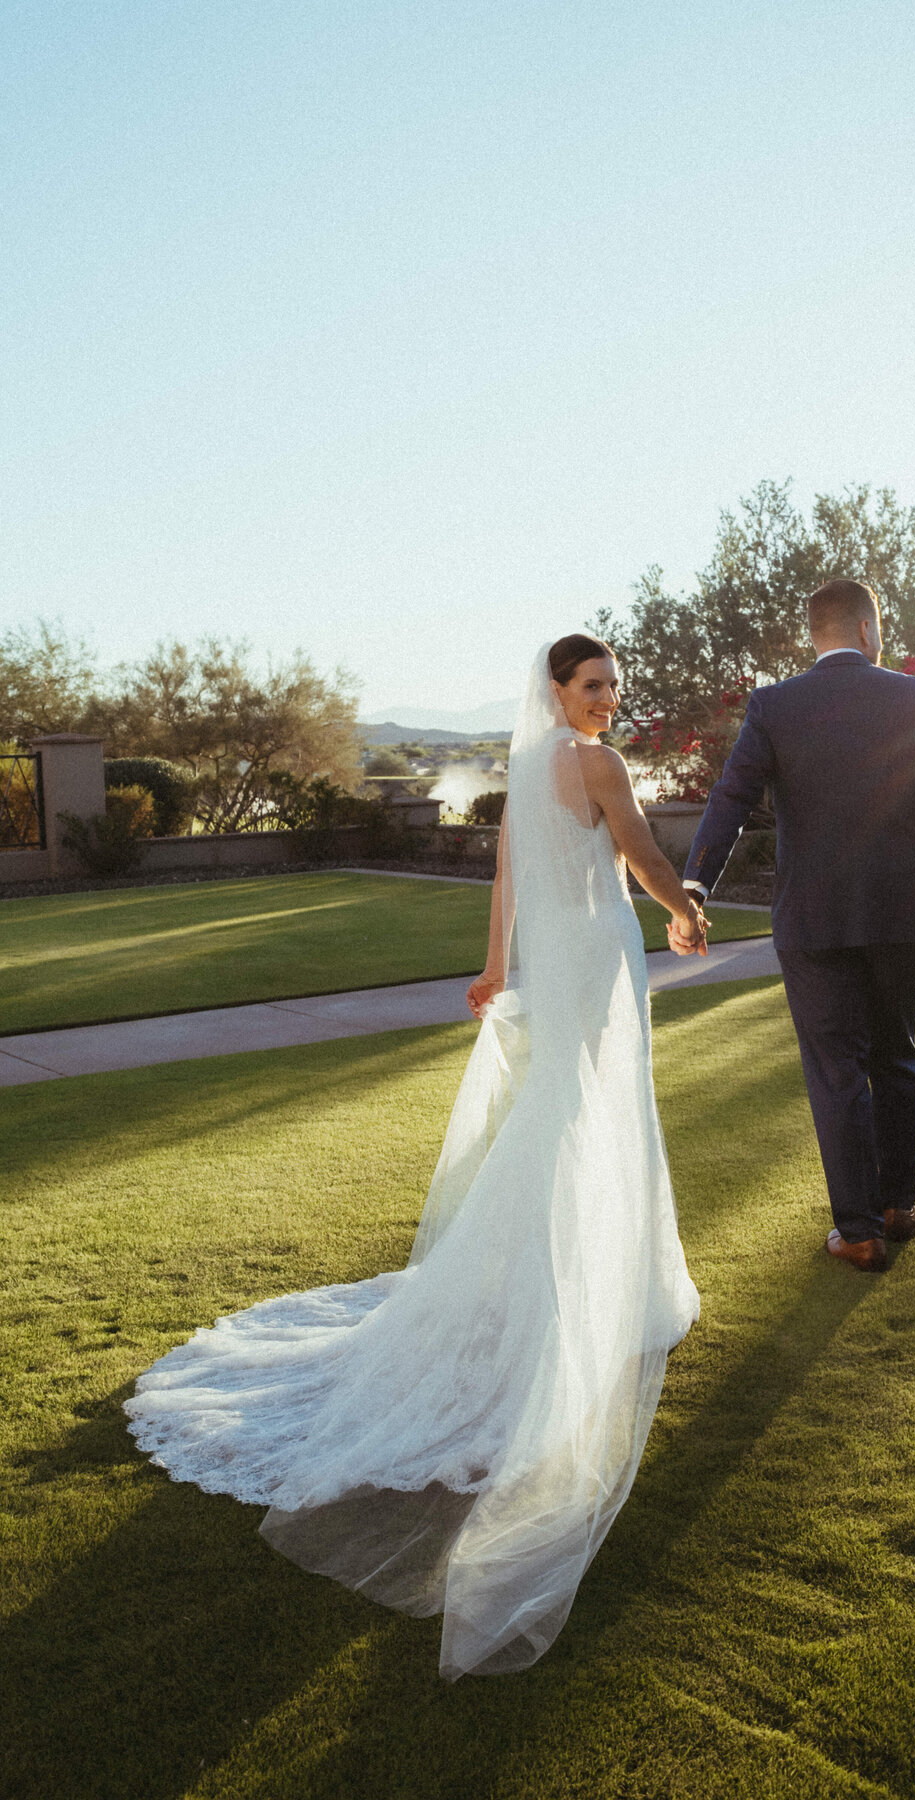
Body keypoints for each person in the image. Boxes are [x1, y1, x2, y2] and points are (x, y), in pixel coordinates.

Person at [124, 634, 706, 1680]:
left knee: (571, 1118)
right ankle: (588, 1291)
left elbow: (510, 874)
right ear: (557, 692)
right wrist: (686, 907)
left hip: (562, 961)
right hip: (600, 958)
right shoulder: (598, 765)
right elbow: (644, 858)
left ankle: (593, 1276)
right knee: (590, 1117)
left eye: (614, 686)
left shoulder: (528, 768)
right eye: (591, 687)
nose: (607, 702)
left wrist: (492, 966)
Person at [673, 580, 915, 1272]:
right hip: (906, 911)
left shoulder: (775, 705)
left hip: (812, 919)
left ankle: (858, 1231)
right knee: (896, 1053)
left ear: (812, 634)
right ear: (870, 630)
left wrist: (694, 886)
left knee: (836, 1070)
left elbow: (730, 797)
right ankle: (898, 1205)